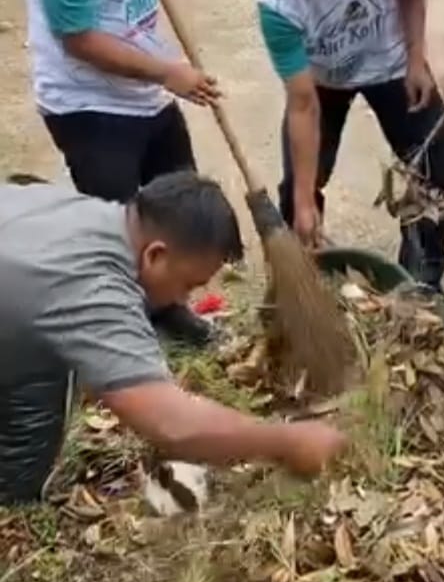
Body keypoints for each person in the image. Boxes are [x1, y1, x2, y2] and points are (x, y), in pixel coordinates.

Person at [0, 171, 345, 505]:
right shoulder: (95, 289)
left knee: (45, 359)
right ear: (156, 255)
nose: (184, 302)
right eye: (188, 286)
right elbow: (173, 425)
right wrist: (287, 441)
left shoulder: (87, 213)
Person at [19, 0, 223, 346]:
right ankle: (119, 330)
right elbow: (79, 41)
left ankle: (169, 307)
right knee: (119, 231)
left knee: (176, 212)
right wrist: (166, 73)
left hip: (146, 96)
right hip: (89, 106)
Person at [256, 0, 444, 329]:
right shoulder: (278, 3)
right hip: (323, 81)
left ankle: (423, 281)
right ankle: (304, 287)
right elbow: (302, 103)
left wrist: (415, 58)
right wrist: (304, 199)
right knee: (300, 185)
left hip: (390, 62)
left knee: (430, 156)